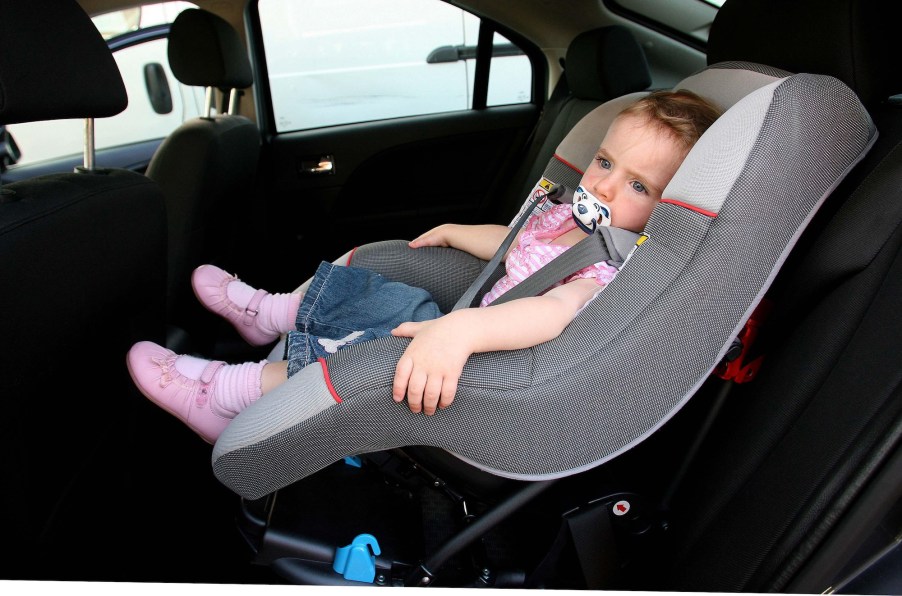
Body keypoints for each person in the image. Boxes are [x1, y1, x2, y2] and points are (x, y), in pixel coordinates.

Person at [127, 89, 721, 444]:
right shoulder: (572, 215)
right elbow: (517, 246)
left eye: (637, 185)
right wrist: (461, 232)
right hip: (467, 328)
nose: (605, 185)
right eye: (605, 162)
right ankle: (268, 313)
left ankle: (222, 394)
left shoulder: (611, 267)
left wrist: (458, 333)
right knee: (377, 287)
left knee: (377, 342)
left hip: (495, 370)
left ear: (667, 207)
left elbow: (552, 311)